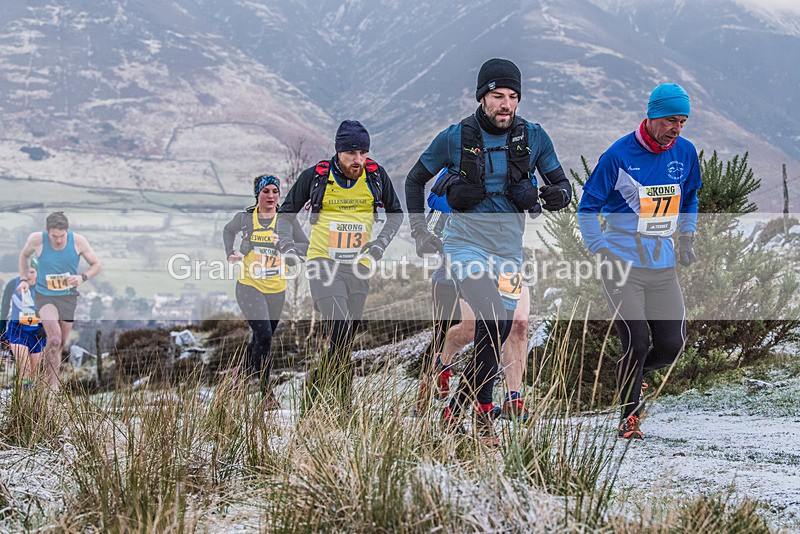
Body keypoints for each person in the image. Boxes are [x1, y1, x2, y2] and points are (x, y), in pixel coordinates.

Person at [406, 58, 572, 446]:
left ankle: (457, 408)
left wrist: (555, 195)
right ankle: (484, 416)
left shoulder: (534, 137)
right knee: (494, 316)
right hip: (464, 246)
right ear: (482, 97)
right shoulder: (455, 137)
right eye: (498, 96)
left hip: (509, 254)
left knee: (500, 327)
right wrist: (418, 232)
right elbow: (415, 179)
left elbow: (563, 187)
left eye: (513, 97)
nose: (506, 104)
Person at [578, 83, 701, 439]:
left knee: (672, 345)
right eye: (669, 120)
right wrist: (600, 249)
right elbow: (587, 209)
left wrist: (688, 235)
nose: (675, 129)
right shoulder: (618, 155)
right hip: (622, 263)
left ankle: (632, 378)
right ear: (650, 116)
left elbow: (691, 196)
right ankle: (629, 418)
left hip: (662, 263)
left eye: (682, 121)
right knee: (637, 341)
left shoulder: (685, 153)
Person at [276, 120, 403, 407]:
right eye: (351, 154)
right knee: (342, 327)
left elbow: (396, 215)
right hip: (322, 264)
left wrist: (378, 245)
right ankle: (340, 403)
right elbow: (285, 214)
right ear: (338, 152)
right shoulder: (317, 177)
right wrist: (287, 244)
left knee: (343, 343)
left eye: (364, 154)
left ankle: (320, 392)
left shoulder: (375, 177)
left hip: (358, 269)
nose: (358, 160)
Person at [415, 173, 532, 421]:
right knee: (471, 330)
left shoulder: (516, 163)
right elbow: (431, 228)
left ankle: (513, 399)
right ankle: (441, 364)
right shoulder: (456, 172)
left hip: (507, 262)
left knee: (518, 325)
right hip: (463, 266)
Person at [223, 174, 309, 409]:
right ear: (257, 194)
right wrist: (229, 251)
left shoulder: (286, 221)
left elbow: (306, 246)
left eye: (275, 192)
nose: (271, 196)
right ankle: (266, 394)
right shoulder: (245, 218)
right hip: (249, 286)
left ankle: (237, 379)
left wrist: (284, 245)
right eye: (266, 191)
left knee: (259, 340)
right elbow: (227, 230)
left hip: (276, 289)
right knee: (265, 337)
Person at [18, 212, 102, 392]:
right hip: (44, 296)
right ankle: (52, 389)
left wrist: (82, 277)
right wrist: (24, 279)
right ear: (47, 231)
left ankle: (44, 373)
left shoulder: (78, 241)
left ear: (67, 231)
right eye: (54, 236)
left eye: (62, 236)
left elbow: (96, 264)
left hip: (68, 297)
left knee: (60, 343)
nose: (58, 240)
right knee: (54, 339)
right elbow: (24, 256)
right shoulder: (36, 239)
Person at [1, 258, 44, 390]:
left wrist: (47, 328)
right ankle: (22, 404)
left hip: (37, 332)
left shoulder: (44, 288)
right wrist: (1, 330)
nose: (28, 275)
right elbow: (4, 307)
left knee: (34, 374)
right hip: (17, 331)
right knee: (24, 369)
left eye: (31, 271)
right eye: (25, 272)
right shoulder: (13, 284)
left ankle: (33, 405)